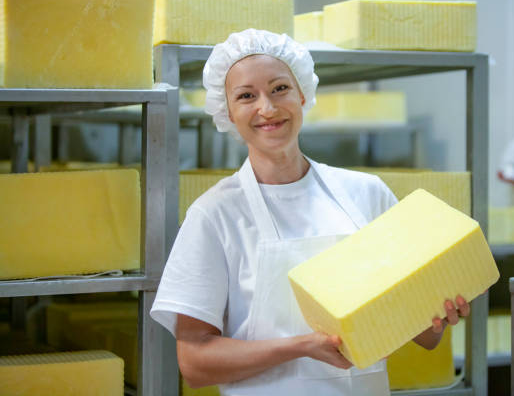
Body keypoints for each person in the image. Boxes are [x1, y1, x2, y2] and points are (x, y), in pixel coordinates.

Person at [151, 29, 471, 396]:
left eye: (279, 88)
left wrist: (437, 317)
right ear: (228, 112)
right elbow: (194, 361)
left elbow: (422, 335)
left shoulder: (367, 194)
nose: (267, 108)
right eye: (246, 96)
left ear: (302, 93)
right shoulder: (214, 215)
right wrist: (302, 347)